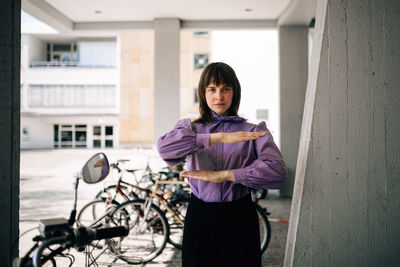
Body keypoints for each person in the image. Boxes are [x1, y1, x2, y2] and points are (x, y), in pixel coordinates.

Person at [157, 62, 287, 267]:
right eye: (212, 89)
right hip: (200, 215)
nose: (219, 96)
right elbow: (165, 150)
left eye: (226, 89)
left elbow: (278, 173)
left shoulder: (253, 131)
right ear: (203, 93)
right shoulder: (190, 128)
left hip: (239, 216)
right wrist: (216, 138)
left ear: (234, 92)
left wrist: (227, 175)